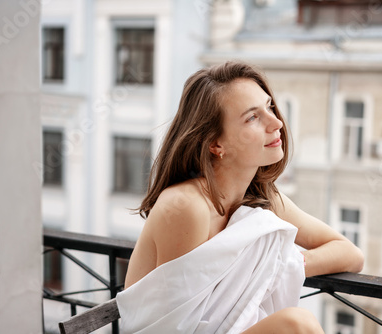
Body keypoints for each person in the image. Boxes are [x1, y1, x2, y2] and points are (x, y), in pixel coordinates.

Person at [117, 61, 364, 334]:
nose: (277, 122)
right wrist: (273, 264)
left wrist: (277, 263)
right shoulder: (186, 207)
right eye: (252, 117)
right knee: (297, 324)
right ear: (215, 143)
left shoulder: (261, 197)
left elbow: (350, 254)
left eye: (269, 106)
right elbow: (175, 327)